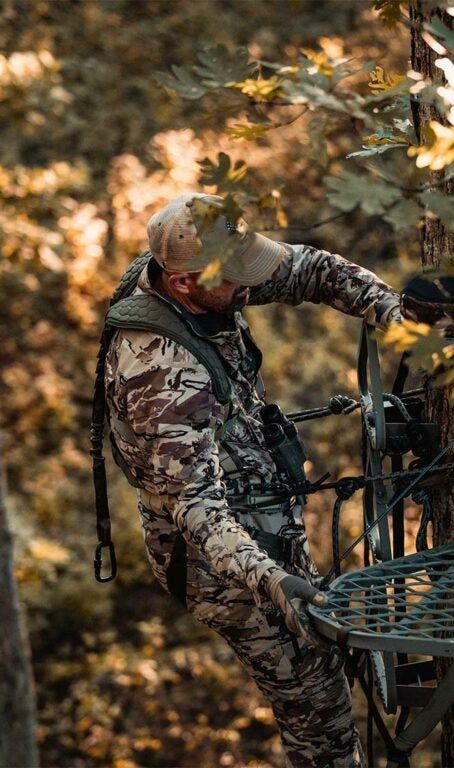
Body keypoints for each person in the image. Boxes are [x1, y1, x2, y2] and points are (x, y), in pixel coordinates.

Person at [97, 192, 409, 768]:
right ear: (185, 284)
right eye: (238, 281)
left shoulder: (208, 278)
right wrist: (273, 583)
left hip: (265, 526)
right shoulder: (160, 371)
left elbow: (311, 270)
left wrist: (393, 312)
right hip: (222, 568)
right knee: (320, 716)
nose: (251, 288)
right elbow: (197, 513)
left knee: (331, 663)